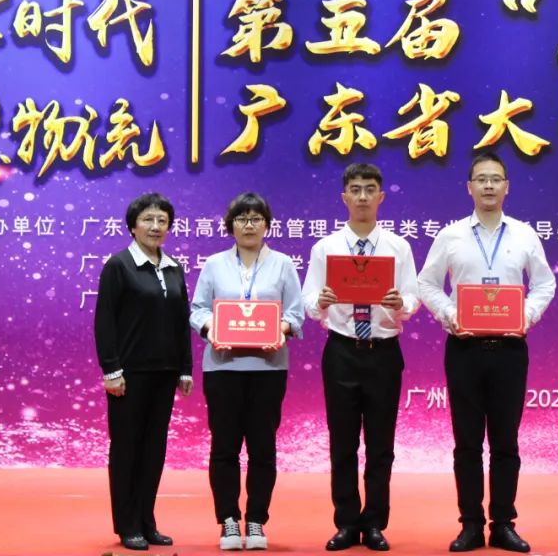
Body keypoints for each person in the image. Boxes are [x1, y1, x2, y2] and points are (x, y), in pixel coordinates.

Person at [417, 151, 556, 554]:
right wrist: (450, 314)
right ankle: (471, 525)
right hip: (465, 349)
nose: (489, 185)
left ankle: (504, 524)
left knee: (505, 442)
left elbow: (545, 284)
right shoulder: (451, 235)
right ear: (470, 187)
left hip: (510, 350)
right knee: (466, 443)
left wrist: (526, 316)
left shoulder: (525, 235)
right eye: (482, 179)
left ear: (507, 187)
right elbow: (427, 283)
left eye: (496, 179)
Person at [301, 163, 420, 552]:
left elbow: (413, 298)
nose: (363, 196)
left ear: (381, 197)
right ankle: (347, 523)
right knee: (343, 443)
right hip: (341, 351)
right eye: (356, 189)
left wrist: (402, 303)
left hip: (383, 352)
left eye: (370, 189)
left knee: (381, 446)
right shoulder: (326, 248)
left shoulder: (398, 247)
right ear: (344, 197)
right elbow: (308, 301)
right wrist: (320, 301)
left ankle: (375, 524)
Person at [189, 192, 305, 551]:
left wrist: (280, 329)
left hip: (268, 369)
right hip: (222, 368)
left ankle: (256, 520)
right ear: (231, 225)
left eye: (256, 218)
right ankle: (228, 520)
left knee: (262, 448)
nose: (249, 225)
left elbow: (296, 314)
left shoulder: (283, 264)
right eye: (242, 219)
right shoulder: (214, 265)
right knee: (224, 447)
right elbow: (197, 309)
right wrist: (211, 328)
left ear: (267, 224)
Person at [93, 192, 193, 552]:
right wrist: (111, 369)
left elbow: (181, 322)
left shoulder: (174, 267)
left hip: (165, 373)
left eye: (162, 221)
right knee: (127, 450)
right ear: (133, 226)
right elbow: (105, 321)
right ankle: (127, 524)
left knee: (153, 450)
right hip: (129, 376)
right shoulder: (118, 266)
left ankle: (147, 521)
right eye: (148, 220)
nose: (155, 226)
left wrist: (185, 369)